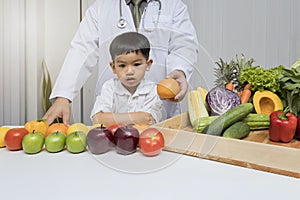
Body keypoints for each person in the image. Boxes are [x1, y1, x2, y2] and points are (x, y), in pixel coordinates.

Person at [43, 0, 199, 125]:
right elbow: (81, 50)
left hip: (159, 103)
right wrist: (64, 95)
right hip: (114, 105)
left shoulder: (174, 6)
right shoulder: (101, 8)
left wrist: (180, 71)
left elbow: (184, 45)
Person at [91, 32, 162, 125]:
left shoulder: (152, 90)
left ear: (148, 64)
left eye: (136, 64)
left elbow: (148, 120)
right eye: (122, 65)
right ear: (113, 67)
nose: (129, 71)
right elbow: (98, 120)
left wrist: (112, 118)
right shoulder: (110, 87)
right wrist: (136, 117)